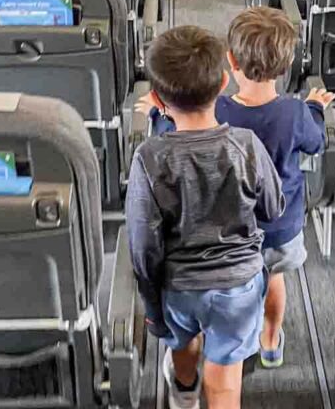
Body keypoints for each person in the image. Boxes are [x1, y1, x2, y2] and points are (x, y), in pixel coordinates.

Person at [139, 7, 335, 369]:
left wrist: (159, 112)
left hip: (227, 231)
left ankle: (199, 342)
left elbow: (181, 136)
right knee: (274, 280)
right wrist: (315, 110)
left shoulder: (220, 111)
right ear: (288, 63)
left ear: (230, 62)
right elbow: (316, 142)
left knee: (222, 290)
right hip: (280, 228)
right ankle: (271, 340)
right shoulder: (295, 113)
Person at [126, 25, 284, 409]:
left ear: (157, 98)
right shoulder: (246, 146)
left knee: (182, 347)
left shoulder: (149, 159)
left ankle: (184, 392)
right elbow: (273, 208)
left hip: (178, 288)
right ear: (224, 83)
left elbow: (143, 248)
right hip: (239, 287)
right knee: (226, 377)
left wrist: (152, 310)